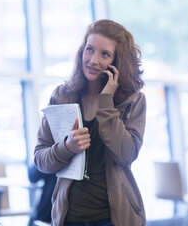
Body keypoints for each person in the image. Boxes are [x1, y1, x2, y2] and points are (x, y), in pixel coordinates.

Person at [34, 19, 146, 226]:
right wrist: (66, 148)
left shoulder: (133, 100)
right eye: (89, 50)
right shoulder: (62, 96)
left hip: (113, 218)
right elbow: (40, 158)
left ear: (117, 61)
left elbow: (126, 154)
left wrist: (106, 101)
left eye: (105, 54)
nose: (93, 60)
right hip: (70, 217)